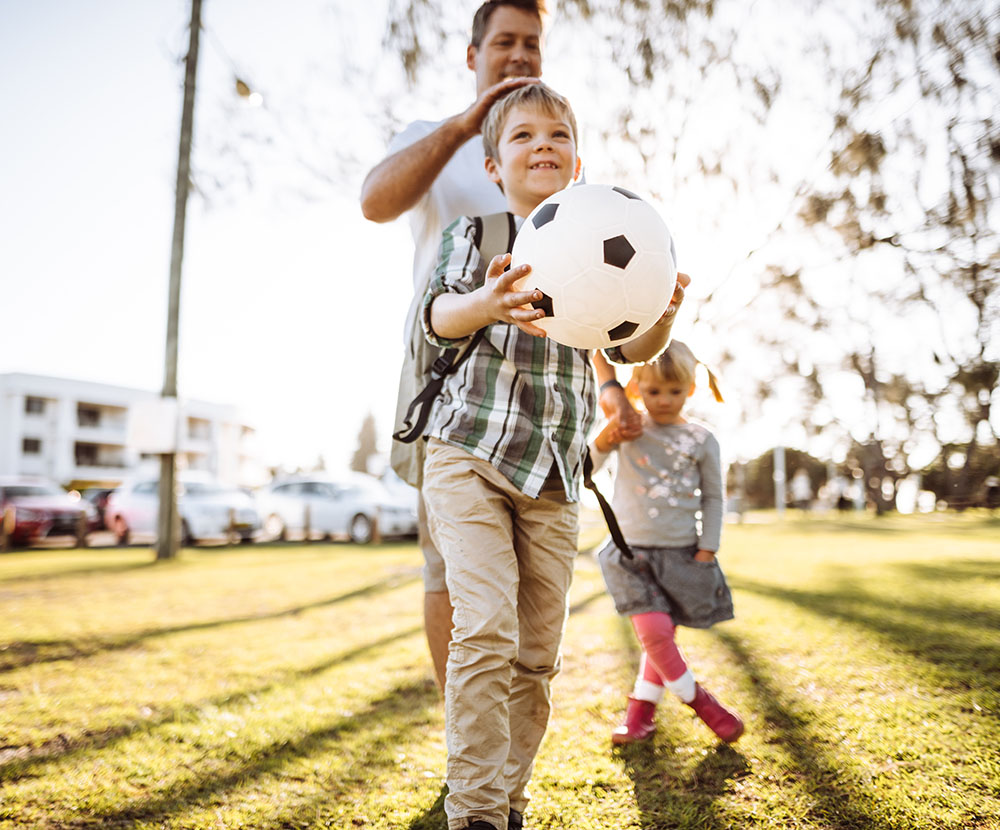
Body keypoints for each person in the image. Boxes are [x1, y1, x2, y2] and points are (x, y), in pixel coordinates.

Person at [360, 0, 682, 694]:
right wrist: (461, 128)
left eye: (531, 44)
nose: (518, 54)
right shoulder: (437, 138)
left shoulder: (551, 154)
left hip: (547, 382)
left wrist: (608, 386)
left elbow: (591, 292)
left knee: (532, 589)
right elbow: (376, 203)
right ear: (472, 54)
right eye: (503, 41)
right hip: (450, 369)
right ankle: (465, 737)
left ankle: (499, 740)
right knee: (450, 564)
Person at [420, 82, 678, 830]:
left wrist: (661, 311)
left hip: (557, 473)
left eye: (557, 135)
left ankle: (508, 800)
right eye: (523, 136)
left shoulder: (606, 242)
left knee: (536, 654)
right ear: (496, 166)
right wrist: (487, 304)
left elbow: (633, 345)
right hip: (468, 452)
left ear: (577, 159)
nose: (542, 145)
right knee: (488, 626)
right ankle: (473, 812)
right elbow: (439, 314)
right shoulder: (478, 233)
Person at [590, 340, 744, 746]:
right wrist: (606, 437)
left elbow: (713, 496)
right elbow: (584, 467)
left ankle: (639, 717)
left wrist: (707, 546)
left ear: (691, 389)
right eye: (654, 391)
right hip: (629, 554)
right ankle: (703, 704)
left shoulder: (701, 439)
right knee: (656, 635)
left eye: (674, 391)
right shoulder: (627, 427)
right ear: (635, 386)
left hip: (683, 555)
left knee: (659, 642)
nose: (663, 400)